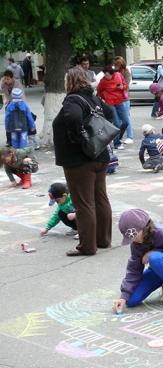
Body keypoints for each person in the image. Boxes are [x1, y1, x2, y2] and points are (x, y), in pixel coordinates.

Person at [52, 66, 113, 256]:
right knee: (100, 198)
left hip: (80, 161)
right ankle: (103, 240)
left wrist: (79, 139)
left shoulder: (72, 100)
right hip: (99, 156)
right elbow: (109, 113)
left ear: (70, 81)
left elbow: (73, 118)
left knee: (84, 203)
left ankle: (87, 246)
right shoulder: (93, 98)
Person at [112, 209, 163, 312]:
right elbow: (134, 270)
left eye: (135, 235)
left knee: (154, 258)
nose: (134, 240)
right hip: (157, 269)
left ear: (144, 227)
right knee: (131, 301)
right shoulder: (135, 244)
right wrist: (124, 297)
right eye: (131, 238)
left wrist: (153, 252)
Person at [96, 64, 129, 150]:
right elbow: (99, 91)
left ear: (112, 73)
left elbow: (125, 86)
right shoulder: (103, 81)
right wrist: (104, 97)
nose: (106, 76)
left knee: (125, 122)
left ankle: (118, 137)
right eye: (105, 74)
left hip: (119, 101)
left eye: (107, 75)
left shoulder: (118, 75)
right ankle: (117, 143)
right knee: (117, 123)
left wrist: (122, 87)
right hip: (110, 103)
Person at [114, 56, 134, 145]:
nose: (116, 66)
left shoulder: (126, 72)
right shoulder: (115, 72)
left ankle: (130, 136)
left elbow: (125, 86)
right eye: (115, 65)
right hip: (116, 98)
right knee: (118, 119)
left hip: (124, 98)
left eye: (117, 65)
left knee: (126, 118)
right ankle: (118, 137)